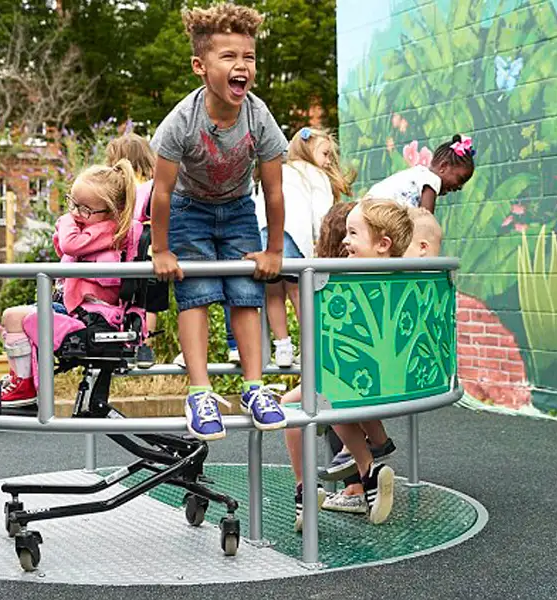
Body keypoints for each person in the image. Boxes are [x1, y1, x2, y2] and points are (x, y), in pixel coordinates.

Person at [149, 3, 288, 441]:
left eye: (247, 57)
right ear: (200, 66)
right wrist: (161, 249)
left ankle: (253, 386)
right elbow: (163, 194)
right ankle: (200, 391)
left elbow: (274, 191)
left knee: (247, 291)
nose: (241, 65)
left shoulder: (258, 117)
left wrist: (276, 250)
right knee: (196, 293)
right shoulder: (181, 122)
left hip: (239, 209)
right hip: (189, 210)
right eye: (228, 57)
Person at [283, 198, 413, 529]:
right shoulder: (402, 277)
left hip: (356, 380)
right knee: (325, 392)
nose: (345, 240)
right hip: (389, 379)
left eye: (353, 233)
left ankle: (307, 491)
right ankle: (369, 468)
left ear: (382, 244)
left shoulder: (352, 281)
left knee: (300, 403)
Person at [0, 160, 140, 404]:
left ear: (113, 211)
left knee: (20, 317)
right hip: (75, 311)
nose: (75, 214)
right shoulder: (93, 229)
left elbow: (69, 244)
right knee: (12, 317)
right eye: (72, 204)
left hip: (94, 319)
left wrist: (66, 222)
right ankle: (22, 381)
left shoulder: (112, 230)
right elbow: (64, 251)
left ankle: (26, 385)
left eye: (85, 210)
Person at [255, 126, 353, 367]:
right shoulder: (315, 175)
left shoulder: (279, 169)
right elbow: (322, 216)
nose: (329, 161)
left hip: (265, 235)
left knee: (273, 293)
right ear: (309, 152)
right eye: (325, 154)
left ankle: (283, 347)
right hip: (293, 237)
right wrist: (321, 245)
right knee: (299, 292)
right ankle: (312, 345)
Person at [104, 133, 164, 369]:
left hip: (129, 252)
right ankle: (144, 344)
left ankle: (128, 340)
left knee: (128, 299)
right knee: (150, 302)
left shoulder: (121, 186)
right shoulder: (156, 184)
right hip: (153, 251)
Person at [366, 133, 476, 213]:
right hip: (376, 211)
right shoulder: (432, 180)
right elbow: (425, 221)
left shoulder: (419, 174)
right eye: (460, 179)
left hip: (366, 206)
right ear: (443, 166)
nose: (460, 187)